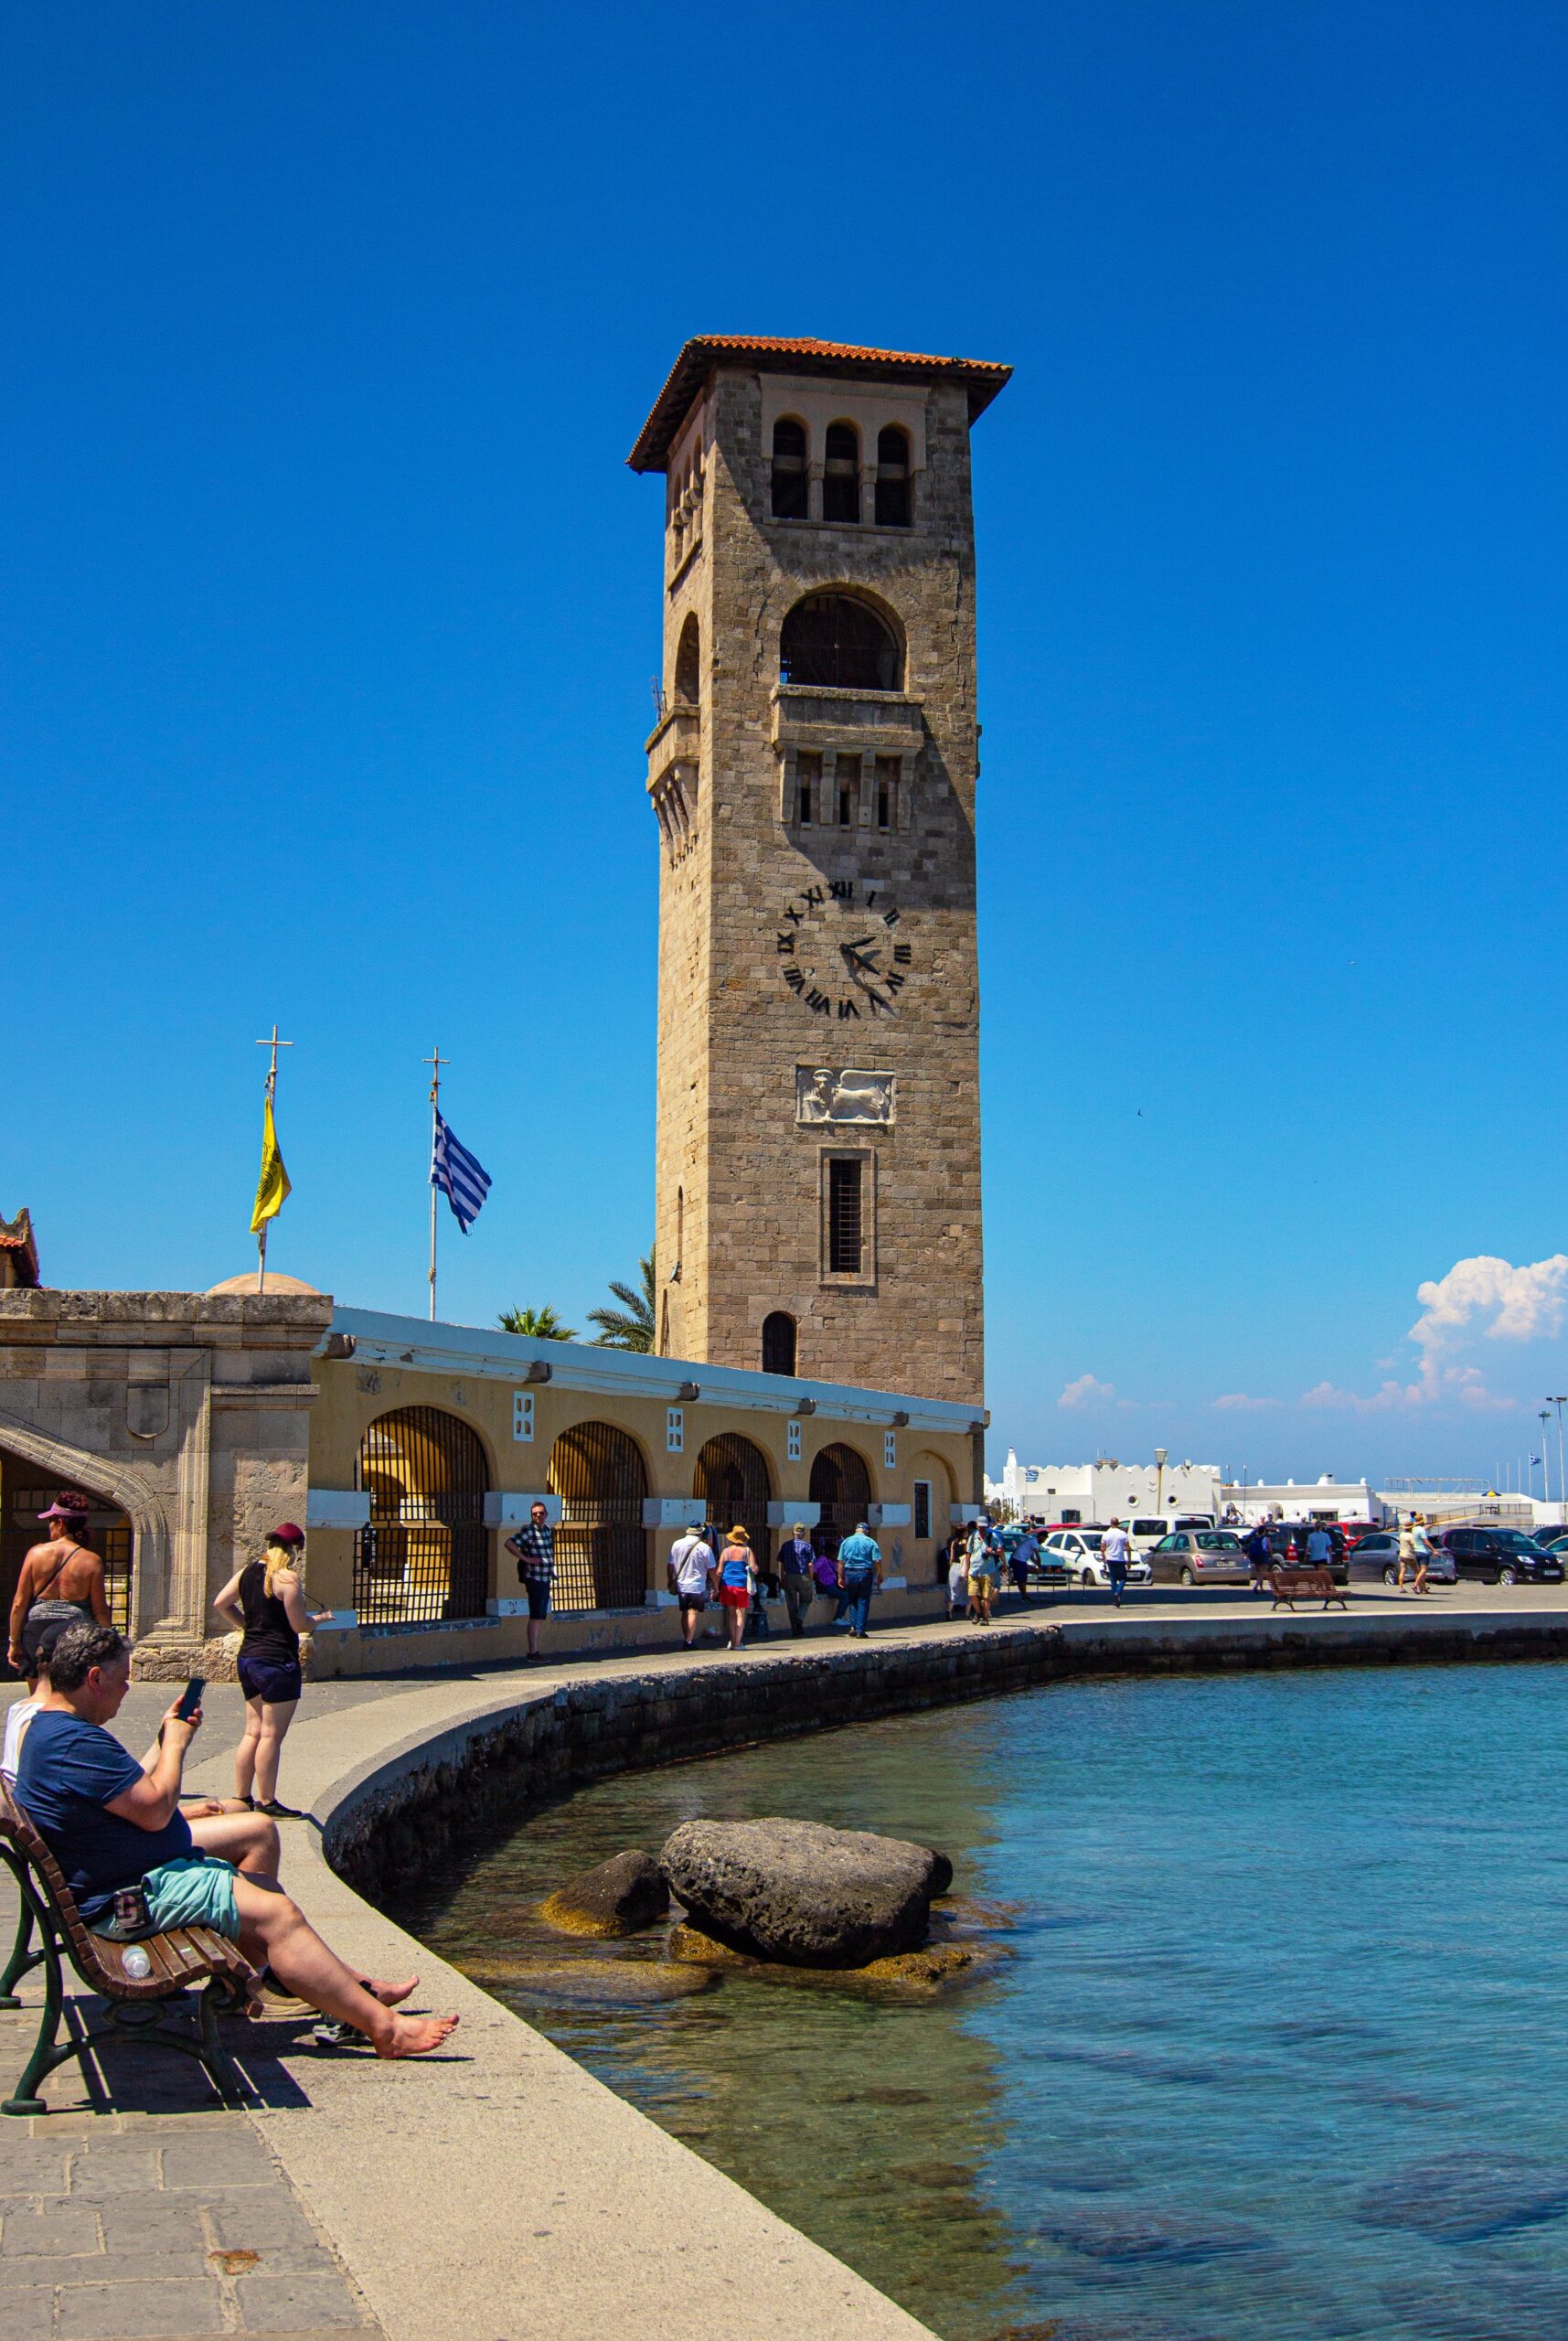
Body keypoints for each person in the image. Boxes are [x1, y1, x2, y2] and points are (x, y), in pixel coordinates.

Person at [16, 1622, 457, 2058]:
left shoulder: (52, 1729)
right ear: (95, 1678)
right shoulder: (75, 1742)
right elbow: (154, 1810)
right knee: (278, 1915)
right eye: (123, 1678)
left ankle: (320, 1984)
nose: (127, 1689)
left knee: (258, 1864)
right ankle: (384, 2029)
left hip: (126, 1879)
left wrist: (166, 1741)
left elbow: (124, 1803)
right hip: (125, 1903)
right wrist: (176, 1744)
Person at [212, 1525, 332, 1819]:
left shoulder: (246, 1572)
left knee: (252, 1731)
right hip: (277, 1662)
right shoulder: (287, 1579)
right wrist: (321, 1618)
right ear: (295, 1551)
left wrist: (247, 1625)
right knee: (270, 1736)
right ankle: (267, 1802)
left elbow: (221, 1603)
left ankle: (242, 1797)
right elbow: (299, 1625)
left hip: (248, 1659)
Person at [8, 1494, 110, 1682]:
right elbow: (100, 1610)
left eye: (50, 1521)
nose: (49, 1526)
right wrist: (108, 1645)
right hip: (75, 1632)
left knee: (39, 1693)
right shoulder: (92, 1561)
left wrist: (13, 1642)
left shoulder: (36, 1553)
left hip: (37, 1631)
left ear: (60, 1523)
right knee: (71, 1689)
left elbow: (19, 1603)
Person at [504, 1501, 555, 1660]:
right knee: (536, 1615)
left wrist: (551, 1570)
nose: (538, 1516)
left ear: (546, 1514)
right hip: (535, 1578)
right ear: (531, 1516)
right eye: (535, 1514)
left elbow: (546, 1552)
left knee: (540, 1615)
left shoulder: (547, 1530)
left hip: (545, 1578)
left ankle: (535, 1651)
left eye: (541, 1513)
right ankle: (533, 1652)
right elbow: (509, 1543)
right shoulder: (529, 1531)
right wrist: (526, 1559)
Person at [667, 1523, 715, 1647]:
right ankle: (688, 1641)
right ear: (700, 1533)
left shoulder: (677, 1544)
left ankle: (687, 1638)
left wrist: (670, 1580)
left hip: (681, 1584)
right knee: (693, 1612)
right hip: (697, 1585)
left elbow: (670, 1565)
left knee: (684, 1612)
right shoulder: (704, 1548)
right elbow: (712, 1569)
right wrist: (715, 1584)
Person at [836, 1522, 882, 1639]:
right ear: (867, 1531)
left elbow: (840, 1562)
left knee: (852, 1600)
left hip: (850, 1573)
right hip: (864, 1573)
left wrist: (840, 1577)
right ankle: (860, 1630)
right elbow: (877, 1560)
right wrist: (880, 1574)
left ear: (856, 1530)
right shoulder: (871, 1542)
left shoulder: (846, 1542)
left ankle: (853, 1627)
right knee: (863, 1601)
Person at [714, 1527, 756, 1652]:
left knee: (731, 1614)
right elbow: (754, 1569)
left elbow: (719, 1571)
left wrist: (715, 1587)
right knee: (740, 1614)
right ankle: (737, 1643)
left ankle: (732, 1641)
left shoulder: (726, 1551)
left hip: (727, 1585)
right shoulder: (747, 1551)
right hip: (741, 1585)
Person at [778, 1523, 816, 1638]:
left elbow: (782, 1564)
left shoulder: (785, 1545)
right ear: (803, 1533)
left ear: (792, 1533)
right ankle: (799, 1618)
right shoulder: (807, 1546)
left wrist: (782, 1578)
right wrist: (811, 1578)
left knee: (791, 1603)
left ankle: (795, 1629)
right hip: (803, 1575)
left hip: (789, 1575)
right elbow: (810, 1564)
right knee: (807, 1599)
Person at [965, 1521, 999, 1623]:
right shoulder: (972, 1537)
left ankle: (985, 1618)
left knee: (986, 1596)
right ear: (977, 1526)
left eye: (984, 1527)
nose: (982, 1529)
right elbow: (968, 1554)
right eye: (980, 1527)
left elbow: (1000, 1550)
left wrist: (992, 1551)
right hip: (974, 1570)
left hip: (988, 1570)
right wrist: (967, 1570)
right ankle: (978, 1612)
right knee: (972, 1593)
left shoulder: (992, 1536)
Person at [1102, 1518, 1132, 1608]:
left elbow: (1102, 1549)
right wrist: (1129, 1560)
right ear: (1118, 1524)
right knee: (1123, 1578)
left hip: (1110, 1559)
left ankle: (1116, 1598)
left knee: (1113, 1578)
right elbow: (1127, 1548)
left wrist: (1104, 1559)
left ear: (1111, 1523)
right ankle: (1117, 1593)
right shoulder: (1123, 1534)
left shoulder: (1106, 1534)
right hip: (1120, 1559)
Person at [1009, 1527, 1040, 1605]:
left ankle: (1024, 1596)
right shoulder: (1034, 1541)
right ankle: (1024, 1596)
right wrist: (1039, 1566)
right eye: (1044, 1538)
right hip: (1018, 1560)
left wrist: (1038, 1565)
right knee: (1021, 1580)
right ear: (1041, 1537)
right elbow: (1037, 1555)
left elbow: (1032, 1557)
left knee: (1022, 1580)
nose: (1044, 1541)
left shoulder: (1031, 1541)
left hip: (1020, 1560)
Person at [946, 1532, 970, 1621]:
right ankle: (967, 1615)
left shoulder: (953, 1542)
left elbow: (951, 1558)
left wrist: (950, 1568)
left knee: (952, 1589)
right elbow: (968, 1556)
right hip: (964, 1566)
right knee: (968, 1590)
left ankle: (948, 1612)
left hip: (954, 1567)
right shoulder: (967, 1542)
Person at [1244, 1521, 1273, 1593]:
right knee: (1263, 1573)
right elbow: (1269, 1548)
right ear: (1264, 1531)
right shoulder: (1266, 1538)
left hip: (1255, 1556)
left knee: (1259, 1572)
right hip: (1263, 1555)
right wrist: (1271, 1556)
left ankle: (1261, 1588)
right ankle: (1255, 1586)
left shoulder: (1254, 1538)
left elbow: (1250, 1547)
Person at [1411, 1514, 1434, 1597]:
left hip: (1416, 1552)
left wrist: (1429, 1526)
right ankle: (1415, 1585)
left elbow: (1421, 1529)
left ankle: (1423, 1589)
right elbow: (1425, 1541)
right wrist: (1434, 1550)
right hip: (1424, 1552)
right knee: (1423, 1570)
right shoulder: (1422, 1530)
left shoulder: (1414, 1529)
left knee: (1420, 1572)